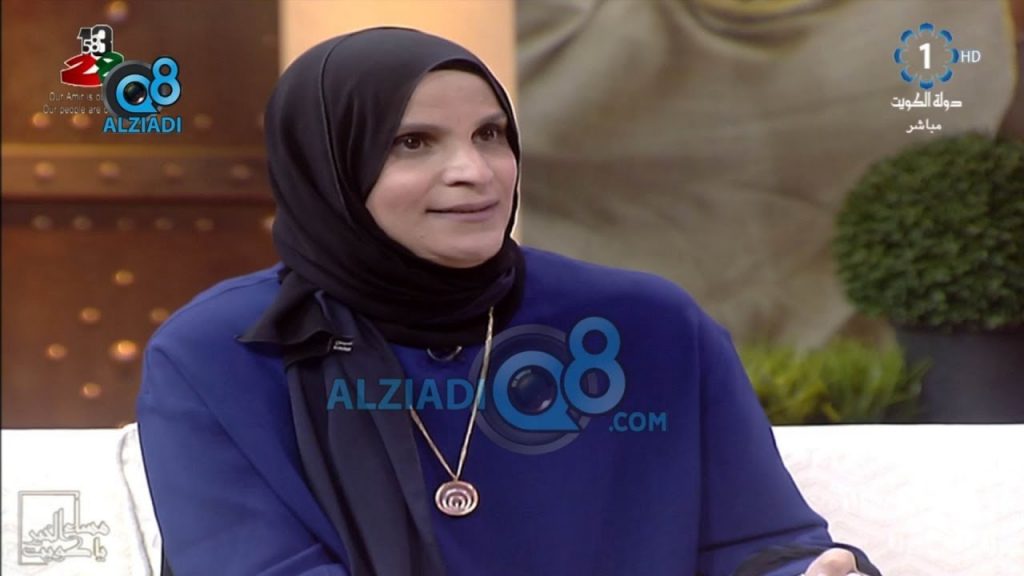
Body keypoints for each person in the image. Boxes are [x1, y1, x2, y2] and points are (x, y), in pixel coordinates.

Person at [136, 27, 882, 576]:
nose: (475, 171)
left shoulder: (648, 325)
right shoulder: (219, 352)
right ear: (326, 167)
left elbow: (759, 543)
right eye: (413, 142)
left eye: (490, 134)